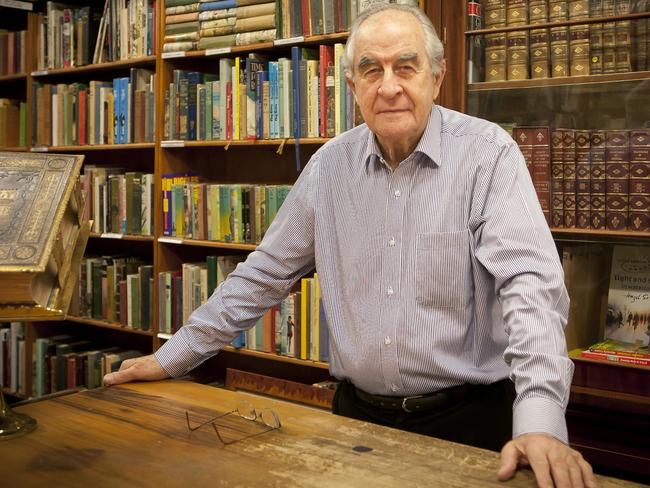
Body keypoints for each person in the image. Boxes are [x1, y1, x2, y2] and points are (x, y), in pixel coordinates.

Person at [104, 5, 596, 487]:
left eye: (406, 66)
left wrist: (539, 422)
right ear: (352, 86)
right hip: (354, 421)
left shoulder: (489, 155)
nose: (389, 86)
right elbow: (263, 275)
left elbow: (530, 289)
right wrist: (173, 357)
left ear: (437, 76)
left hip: (469, 424)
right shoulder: (329, 167)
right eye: (371, 70)